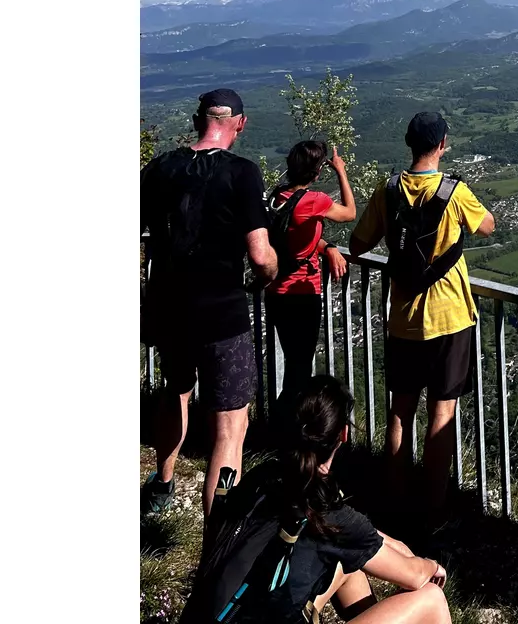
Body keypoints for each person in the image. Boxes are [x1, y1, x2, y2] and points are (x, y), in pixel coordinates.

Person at [179, 375, 453, 624]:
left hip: (209, 615)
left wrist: (396, 546)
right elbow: (414, 576)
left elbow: (360, 537)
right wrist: (432, 566)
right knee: (431, 598)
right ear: (343, 434)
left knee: (347, 567)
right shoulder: (328, 514)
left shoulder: (264, 476)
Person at [347, 111, 494, 521]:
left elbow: (358, 244)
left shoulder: (388, 189)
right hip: (450, 318)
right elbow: (487, 227)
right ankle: (433, 506)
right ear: (442, 144)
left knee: (401, 411)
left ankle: (394, 498)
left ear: (409, 143)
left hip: (404, 318)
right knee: (442, 412)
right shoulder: (454, 192)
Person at [141, 88, 280, 518]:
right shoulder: (242, 172)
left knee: (175, 392)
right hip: (221, 313)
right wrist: (267, 276)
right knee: (230, 424)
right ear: (240, 123)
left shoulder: (159, 167)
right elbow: (260, 255)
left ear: (197, 121)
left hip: (169, 308)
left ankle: (163, 482)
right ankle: (218, 539)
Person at [267, 140, 359, 389]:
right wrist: (341, 170)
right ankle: (293, 413)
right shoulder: (313, 200)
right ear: (317, 172)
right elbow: (350, 213)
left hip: (275, 291)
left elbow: (295, 237)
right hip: (301, 292)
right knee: (299, 370)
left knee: (293, 364)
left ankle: (288, 411)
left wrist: (327, 247)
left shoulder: (277, 196)